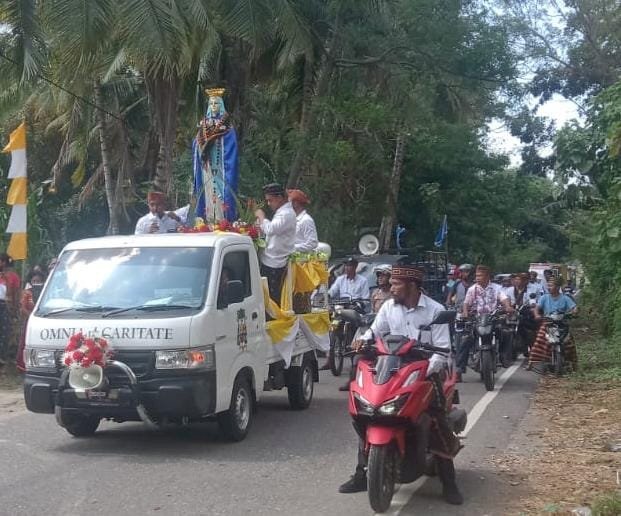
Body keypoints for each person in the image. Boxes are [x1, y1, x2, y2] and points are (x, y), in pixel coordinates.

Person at [338, 264, 463, 505]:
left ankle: (449, 481)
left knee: (436, 420)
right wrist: (362, 341)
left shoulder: (435, 310)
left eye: (396, 284)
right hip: (393, 368)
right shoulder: (388, 307)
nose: (391, 287)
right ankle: (362, 474)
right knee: (369, 413)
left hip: (425, 371)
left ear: (412, 286)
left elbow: (442, 350)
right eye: (392, 283)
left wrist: (428, 369)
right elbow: (374, 332)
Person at [456, 265, 513, 381]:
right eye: (476, 275)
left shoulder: (497, 288)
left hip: (493, 319)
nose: (477, 278)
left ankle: (504, 357)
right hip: (477, 319)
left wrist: (507, 307)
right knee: (465, 340)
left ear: (487, 276)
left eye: (480, 275)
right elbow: (466, 303)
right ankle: (459, 369)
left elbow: (504, 298)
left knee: (506, 333)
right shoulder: (473, 289)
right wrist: (465, 313)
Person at [255, 183, 297, 304]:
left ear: (279, 198)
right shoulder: (282, 212)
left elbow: (271, 229)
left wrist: (262, 216)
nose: (269, 204)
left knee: (271, 300)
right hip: (269, 260)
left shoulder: (287, 214)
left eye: (270, 200)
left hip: (275, 263)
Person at [528, 276, 578, 371]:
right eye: (548, 285)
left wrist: (574, 312)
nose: (549, 287)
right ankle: (531, 363)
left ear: (557, 287)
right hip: (548, 323)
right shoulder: (544, 297)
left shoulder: (565, 298)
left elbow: (574, 308)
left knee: (569, 342)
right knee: (539, 340)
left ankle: (574, 364)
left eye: (551, 285)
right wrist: (537, 315)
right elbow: (537, 308)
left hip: (562, 323)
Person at [16, 268, 47, 371]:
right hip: (30, 323)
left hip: (45, 322)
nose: (36, 283)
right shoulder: (27, 293)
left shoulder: (46, 293)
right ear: (31, 282)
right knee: (27, 343)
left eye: (38, 281)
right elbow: (22, 307)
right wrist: (32, 317)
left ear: (43, 281)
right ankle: (25, 366)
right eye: (34, 281)